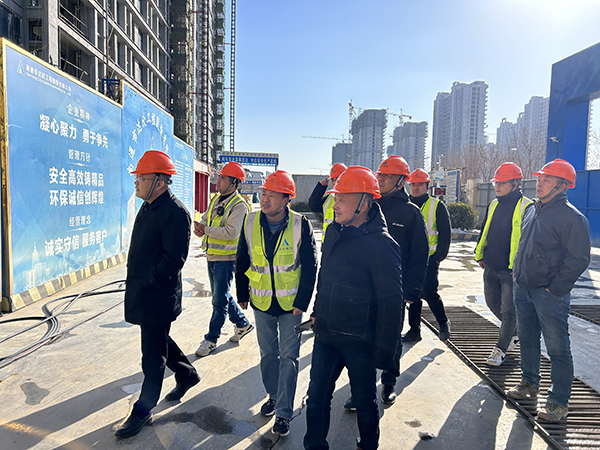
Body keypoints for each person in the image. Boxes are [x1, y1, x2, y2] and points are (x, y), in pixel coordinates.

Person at [304, 166, 403, 450]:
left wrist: (385, 352)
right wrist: (317, 311)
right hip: (326, 336)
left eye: (341, 199)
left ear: (364, 202)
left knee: (364, 401)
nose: (334, 205)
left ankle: (367, 445)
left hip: (361, 341)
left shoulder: (382, 245)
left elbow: (391, 304)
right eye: (335, 198)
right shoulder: (333, 231)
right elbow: (325, 277)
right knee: (316, 399)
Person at [116, 151, 200, 438]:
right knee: (159, 340)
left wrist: (152, 277)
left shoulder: (175, 213)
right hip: (142, 291)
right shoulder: (149, 206)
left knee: (152, 356)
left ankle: (143, 409)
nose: (136, 182)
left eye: (142, 177)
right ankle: (187, 374)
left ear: (160, 182)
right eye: (137, 177)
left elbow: (174, 258)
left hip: (157, 295)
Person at [506, 159, 590, 422]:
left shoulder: (572, 218)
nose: (540, 184)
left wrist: (555, 288)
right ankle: (529, 383)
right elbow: (524, 245)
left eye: (547, 180)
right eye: (540, 179)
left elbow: (578, 259)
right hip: (523, 287)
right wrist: (518, 271)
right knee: (527, 339)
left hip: (549, 294)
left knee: (557, 347)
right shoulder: (532, 210)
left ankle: (558, 402)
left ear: (562, 186)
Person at [235, 170, 318, 437]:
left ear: (286, 199)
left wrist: (303, 301)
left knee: (289, 357)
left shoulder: (300, 225)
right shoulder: (250, 221)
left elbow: (310, 265)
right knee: (268, 354)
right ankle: (273, 395)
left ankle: (283, 412)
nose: (265, 199)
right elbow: (242, 258)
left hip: (291, 304)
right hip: (261, 302)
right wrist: (242, 292)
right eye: (264, 193)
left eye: (272, 195)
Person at [349, 156, 428, 407]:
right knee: (363, 338)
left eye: (388, 176)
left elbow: (420, 253)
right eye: (380, 175)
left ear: (401, 181)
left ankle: (389, 381)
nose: (381, 179)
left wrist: (412, 289)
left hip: (394, 289)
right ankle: (360, 390)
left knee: (391, 337)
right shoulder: (369, 207)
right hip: (365, 287)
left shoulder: (411, 213)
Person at [474, 163, 532, 366]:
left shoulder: (527, 207)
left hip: (511, 270)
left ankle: (500, 350)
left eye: (502, 183)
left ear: (515, 184)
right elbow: (485, 230)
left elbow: (529, 241)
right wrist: (480, 254)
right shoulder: (493, 204)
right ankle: (515, 332)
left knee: (508, 311)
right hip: (491, 265)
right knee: (492, 303)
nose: (497, 186)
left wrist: (521, 266)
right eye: (496, 183)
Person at [193, 162, 253, 357]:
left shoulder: (239, 206)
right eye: (219, 177)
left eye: (222, 178)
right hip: (212, 256)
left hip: (226, 259)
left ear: (234, 183)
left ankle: (211, 338)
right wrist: (200, 227)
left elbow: (231, 233)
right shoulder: (217, 200)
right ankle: (242, 324)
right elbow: (206, 219)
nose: (218, 181)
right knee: (222, 296)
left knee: (219, 301)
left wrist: (206, 230)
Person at [406, 168, 452, 342]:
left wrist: (439, 257)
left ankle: (443, 323)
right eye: (413, 184)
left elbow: (445, 233)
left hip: (429, 258)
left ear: (427, 186)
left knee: (429, 292)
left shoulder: (436, 205)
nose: (416, 188)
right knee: (413, 295)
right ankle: (414, 330)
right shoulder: (405, 205)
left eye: (419, 184)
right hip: (409, 259)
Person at [308, 163, 347, 240]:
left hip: (343, 242)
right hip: (327, 242)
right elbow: (313, 206)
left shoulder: (352, 199)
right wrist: (320, 188)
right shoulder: (329, 197)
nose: (334, 182)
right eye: (332, 180)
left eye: (337, 179)